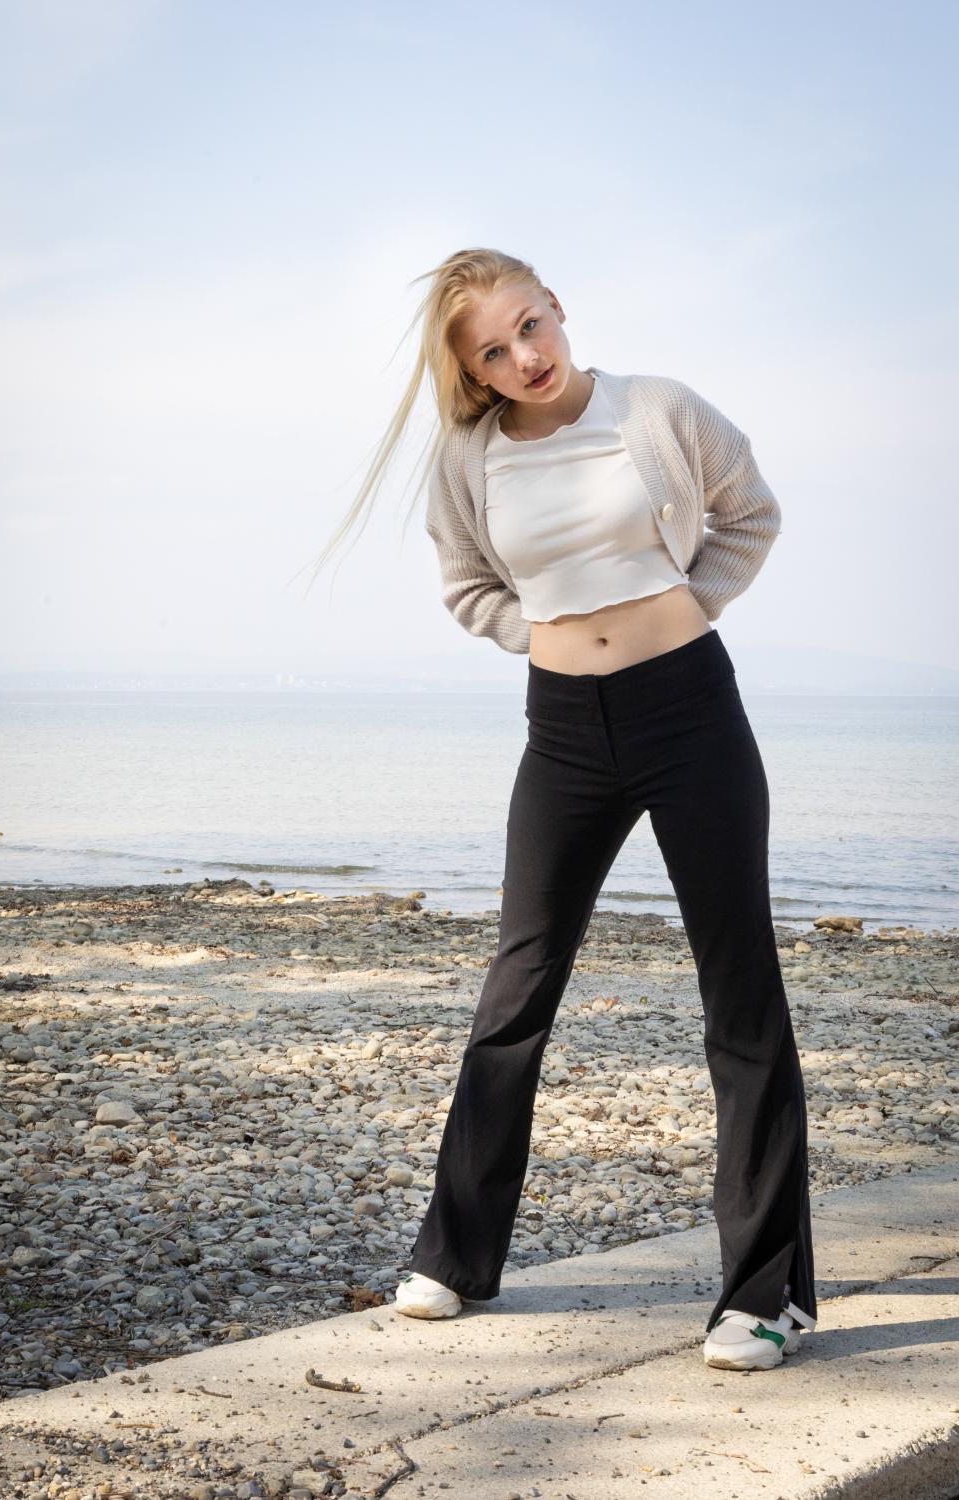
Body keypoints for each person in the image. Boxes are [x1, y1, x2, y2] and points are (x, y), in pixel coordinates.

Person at [309, 246, 818, 1373]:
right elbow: (466, 584)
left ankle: (765, 1296)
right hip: (562, 733)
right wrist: (540, 640)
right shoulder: (469, 458)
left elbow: (750, 516)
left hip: (688, 711)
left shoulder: (659, 410)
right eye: (494, 350)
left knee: (738, 990)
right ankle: (457, 1256)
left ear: (558, 307)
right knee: (516, 987)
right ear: (473, 373)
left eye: (530, 326)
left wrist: (677, 610)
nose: (524, 357)